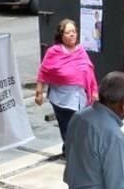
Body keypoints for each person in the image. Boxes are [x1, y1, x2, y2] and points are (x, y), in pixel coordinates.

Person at [36, 18, 99, 148]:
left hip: (81, 97)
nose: (72, 35)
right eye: (68, 32)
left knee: (82, 126)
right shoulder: (54, 51)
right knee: (68, 127)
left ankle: (74, 149)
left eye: (74, 32)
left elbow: (89, 71)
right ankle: (70, 150)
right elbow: (43, 71)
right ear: (61, 35)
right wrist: (39, 93)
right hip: (61, 98)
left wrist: (94, 91)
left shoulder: (80, 50)